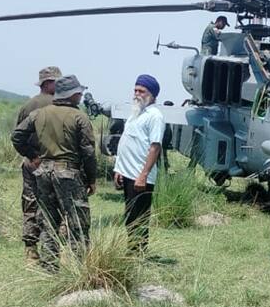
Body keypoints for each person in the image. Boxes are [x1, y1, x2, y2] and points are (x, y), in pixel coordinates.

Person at [11, 75, 97, 271]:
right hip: (68, 173)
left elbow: (16, 136)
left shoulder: (39, 113)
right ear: (73, 94)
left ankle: (50, 265)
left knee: (48, 220)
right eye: (79, 93)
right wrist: (91, 179)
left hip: (43, 172)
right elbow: (89, 152)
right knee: (78, 221)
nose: (81, 96)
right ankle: (79, 267)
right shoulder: (79, 116)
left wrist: (32, 155)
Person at [15, 66, 62, 263]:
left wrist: (30, 155)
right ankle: (52, 250)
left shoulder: (28, 105)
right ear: (50, 83)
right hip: (53, 163)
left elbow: (17, 135)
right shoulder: (61, 105)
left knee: (30, 204)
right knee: (54, 206)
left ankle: (31, 250)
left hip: (31, 162)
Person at [113, 74, 166, 251]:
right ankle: (132, 250)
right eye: (135, 90)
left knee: (139, 217)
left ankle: (138, 253)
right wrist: (118, 169)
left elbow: (155, 147)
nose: (137, 94)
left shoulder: (155, 116)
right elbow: (126, 142)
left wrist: (143, 175)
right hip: (127, 173)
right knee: (129, 216)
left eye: (141, 91)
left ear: (151, 95)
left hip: (140, 177)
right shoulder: (136, 114)